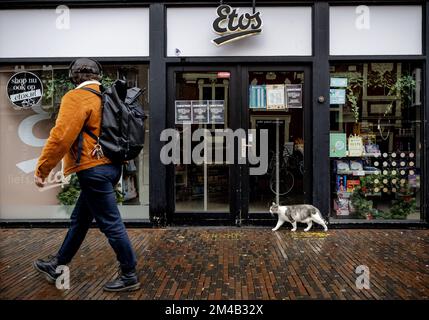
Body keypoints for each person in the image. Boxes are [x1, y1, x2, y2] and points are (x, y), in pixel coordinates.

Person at [33, 58, 139, 292]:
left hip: (93, 169)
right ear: (98, 76)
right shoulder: (108, 96)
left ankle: (129, 273)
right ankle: (58, 263)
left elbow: (61, 137)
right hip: (111, 166)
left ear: (74, 77)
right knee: (80, 220)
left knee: (111, 224)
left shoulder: (77, 97)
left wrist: (42, 169)